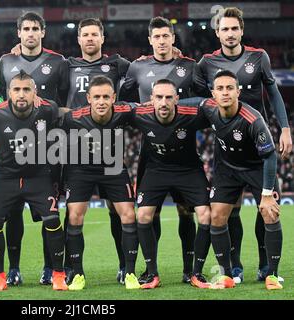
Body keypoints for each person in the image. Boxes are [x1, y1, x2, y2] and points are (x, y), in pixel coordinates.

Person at [195, 7, 292, 283]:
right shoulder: (206, 63)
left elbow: (273, 93)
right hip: (226, 150)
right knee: (228, 210)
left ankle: (267, 268)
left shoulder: (258, 57)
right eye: (224, 29)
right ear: (217, 33)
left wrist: (285, 129)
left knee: (267, 210)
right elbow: (199, 98)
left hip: (258, 144)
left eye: (234, 28)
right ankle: (233, 267)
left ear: (241, 30)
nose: (229, 33)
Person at [119, 16, 199, 284]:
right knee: (147, 211)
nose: (162, 41)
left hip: (185, 149)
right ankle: (150, 268)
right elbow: (125, 104)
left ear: (173, 39)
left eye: (167, 36)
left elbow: (204, 101)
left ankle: (189, 269)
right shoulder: (137, 68)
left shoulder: (189, 66)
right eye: (157, 37)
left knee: (185, 211)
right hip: (150, 151)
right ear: (150, 39)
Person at [0, 11, 69, 286]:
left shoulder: (58, 62)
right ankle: (13, 269)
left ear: (43, 32)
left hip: (49, 148)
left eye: (34, 29)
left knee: (49, 211)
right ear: (18, 33)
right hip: (12, 146)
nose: (30, 33)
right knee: (13, 209)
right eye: (25, 29)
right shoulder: (5, 61)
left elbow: (63, 102)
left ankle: (50, 268)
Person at [0, 71, 68, 292]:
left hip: (38, 176)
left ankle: (58, 275)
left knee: (52, 220)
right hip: (4, 176)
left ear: (35, 93)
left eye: (26, 90)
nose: (21, 94)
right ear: (9, 93)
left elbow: (68, 115)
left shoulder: (48, 109)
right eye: (17, 90)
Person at [200, 70, 283, 290]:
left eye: (229, 88)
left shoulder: (253, 119)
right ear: (213, 94)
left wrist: (266, 195)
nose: (225, 93)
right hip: (227, 169)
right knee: (216, 215)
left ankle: (272, 274)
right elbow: (182, 104)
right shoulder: (207, 107)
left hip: (257, 168)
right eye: (220, 88)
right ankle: (227, 274)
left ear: (238, 91)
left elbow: (270, 155)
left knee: (270, 212)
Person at [65, 18, 131, 285]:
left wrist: (173, 54)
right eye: (85, 35)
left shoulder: (118, 64)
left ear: (102, 38)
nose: (90, 38)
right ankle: (71, 269)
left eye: (95, 34)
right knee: (73, 212)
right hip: (76, 151)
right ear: (79, 39)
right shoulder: (66, 65)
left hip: (111, 150)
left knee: (118, 211)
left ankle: (125, 267)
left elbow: (144, 71)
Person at [61, 75, 140, 291]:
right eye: (97, 97)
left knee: (129, 214)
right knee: (75, 215)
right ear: (88, 98)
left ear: (114, 97)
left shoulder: (125, 112)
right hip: (81, 168)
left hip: (113, 167)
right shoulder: (74, 117)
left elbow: (149, 110)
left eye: (106, 96)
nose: (102, 101)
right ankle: (77, 273)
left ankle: (130, 272)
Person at [131, 79, 212, 289]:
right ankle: (152, 273)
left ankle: (196, 273)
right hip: (157, 170)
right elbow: (115, 111)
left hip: (189, 170)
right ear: (151, 100)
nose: (164, 102)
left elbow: (214, 107)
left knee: (205, 215)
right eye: (159, 97)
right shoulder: (140, 115)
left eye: (169, 97)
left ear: (177, 99)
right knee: (143, 215)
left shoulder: (191, 114)